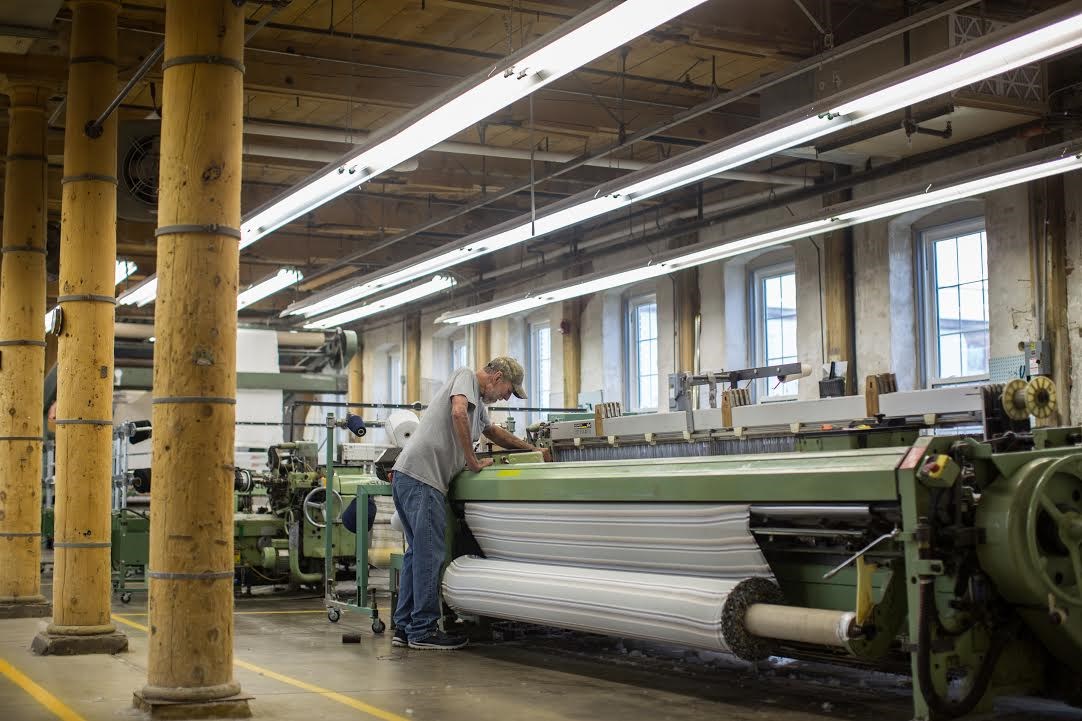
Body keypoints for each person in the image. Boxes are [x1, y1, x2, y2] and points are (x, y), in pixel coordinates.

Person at [391, 356, 550, 650]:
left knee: (417, 554)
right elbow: (458, 413)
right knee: (431, 555)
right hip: (423, 479)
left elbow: (493, 432)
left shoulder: (481, 405)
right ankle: (423, 631)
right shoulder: (465, 376)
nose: (506, 396)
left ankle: (404, 627)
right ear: (496, 377)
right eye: (508, 390)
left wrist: (533, 450)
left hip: (409, 476)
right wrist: (472, 460)